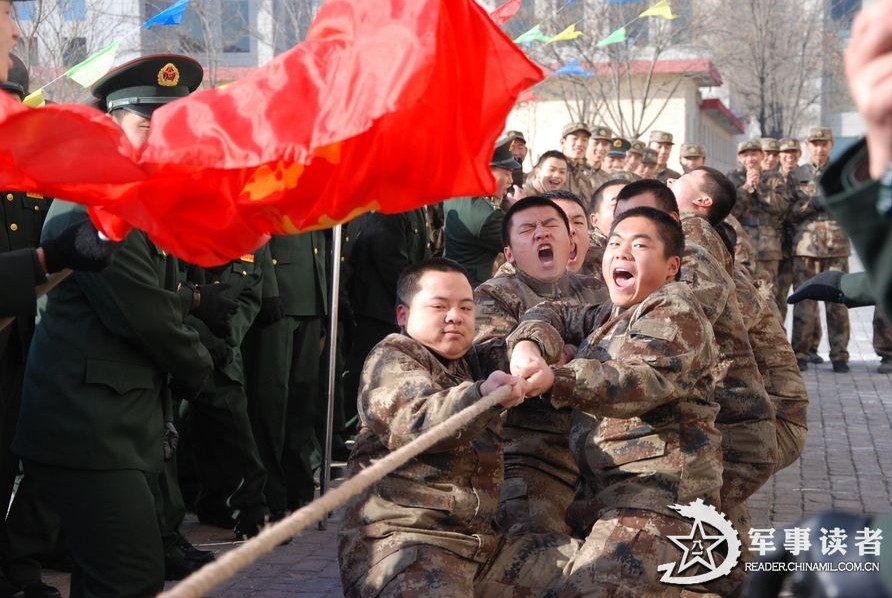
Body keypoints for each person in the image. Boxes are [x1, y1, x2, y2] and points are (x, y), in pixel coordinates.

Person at [13, 54, 214, 598]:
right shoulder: (94, 201)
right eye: (147, 124)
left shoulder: (133, 194)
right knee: (128, 577)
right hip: (88, 428)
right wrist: (203, 368)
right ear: (112, 125)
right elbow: (144, 313)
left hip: (115, 424)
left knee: (109, 574)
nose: (159, 140)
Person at [506, 207, 723, 595]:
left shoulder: (675, 308)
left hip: (658, 499)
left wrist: (557, 377)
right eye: (616, 243)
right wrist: (529, 345)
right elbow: (553, 312)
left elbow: (637, 380)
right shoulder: (614, 311)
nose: (622, 253)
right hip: (605, 494)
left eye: (639, 245)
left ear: (671, 266)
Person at [338, 258, 564, 597]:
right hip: (404, 545)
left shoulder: (475, 359)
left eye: (465, 307)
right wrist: (482, 394)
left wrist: (528, 347)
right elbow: (417, 419)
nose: (455, 316)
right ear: (403, 315)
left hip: (480, 547)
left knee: (605, 575)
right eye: (439, 306)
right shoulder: (392, 356)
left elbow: (548, 316)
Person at [473, 196, 606, 536]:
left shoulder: (598, 290)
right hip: (531, 450)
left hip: (599, 448)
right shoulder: (494, 295)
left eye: (550, 226)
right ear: (510, 254)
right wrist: (571, 353)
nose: (541, 235)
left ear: (570, 240)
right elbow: (497, 359)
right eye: (528, 229)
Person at [788, 127, 851, 372]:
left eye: (824, 143)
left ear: (832, 145)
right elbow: (789, 211)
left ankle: (839, 355)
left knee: (839, 303)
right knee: (805, 303)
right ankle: (801, 354)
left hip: (836, 245)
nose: (819, 148)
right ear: (807, 145)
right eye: (815, 143)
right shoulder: (797, 174)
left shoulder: (841, 171)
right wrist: (811, 204)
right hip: (806, 247)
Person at [443, 137, 522, 286]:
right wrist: (520, 208)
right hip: (474, 291)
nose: (511, 181)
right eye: (507, 173)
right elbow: (522, 244)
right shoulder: (487, 216)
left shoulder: (458, 194)